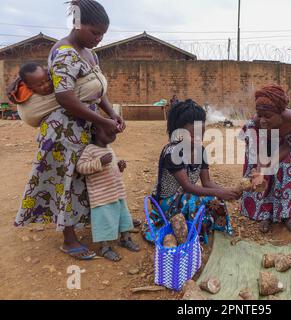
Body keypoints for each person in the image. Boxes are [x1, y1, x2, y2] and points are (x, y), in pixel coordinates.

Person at [14, 0, 125, 260]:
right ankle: (69, 238)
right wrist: (101, 121)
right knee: (68, 180)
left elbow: (97, 88)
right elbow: (65, 97)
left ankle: (89, 224)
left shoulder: (89, 53)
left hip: (82, 123)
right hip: (64, 129)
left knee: (89, 175)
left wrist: (111, 114)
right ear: (77, 24)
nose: (98, 39)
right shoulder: (64, 52)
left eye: (102, 34)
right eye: (95, 32)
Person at [142, 99, 239, 245]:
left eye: (201, 133)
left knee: (215, 201)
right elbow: (188, 187)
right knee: (194, 200)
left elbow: (207, 182)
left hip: (187, 196)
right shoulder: (172, 152)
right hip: (168, 201)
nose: (198, 139)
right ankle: (192, 239)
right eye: (193, 135)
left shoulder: (201, 151)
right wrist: (219, 192)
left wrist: (228, 191)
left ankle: (210, 229)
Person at [239, 84, 291, 234]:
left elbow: (288, 146)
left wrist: (270, 164)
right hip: (259, 143)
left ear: (281, 113)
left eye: (268, 116)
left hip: (283, 143)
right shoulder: (256, 124)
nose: (263, 120)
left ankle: (285, 214)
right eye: (260, 115)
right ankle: (263, 213)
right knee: (258, 174)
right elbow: (261, 153)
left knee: (283, 168)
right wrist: (261, 170)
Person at [76, 124, 140, 262]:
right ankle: (105, 248)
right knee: (104, 222)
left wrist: (119, 166)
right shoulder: (90, 149)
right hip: (101, 197)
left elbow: (111, 168)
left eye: (113, 134)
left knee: (123, 218)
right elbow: (81, 167)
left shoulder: (108, 148)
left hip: (117, 193)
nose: (113, 135)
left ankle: (125, 238)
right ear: (94, 130)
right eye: (108, 132)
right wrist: (99, 162)